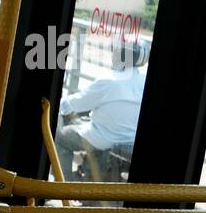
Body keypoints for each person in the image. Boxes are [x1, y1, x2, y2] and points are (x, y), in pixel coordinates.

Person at [55, 34, 148, 178]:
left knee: (60, 136)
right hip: (129, 141)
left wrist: (60, 103)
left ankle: (64, 185)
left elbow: (76, 103)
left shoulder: (108, 81)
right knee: (83, 124)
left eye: (116, 51)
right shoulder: (144, 82)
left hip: (102, 138)